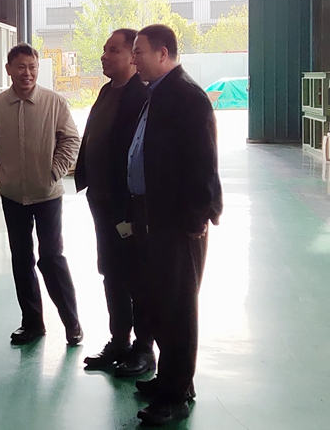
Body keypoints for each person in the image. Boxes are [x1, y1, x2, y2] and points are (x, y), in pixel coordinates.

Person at [126, 24, 223, 426]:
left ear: (162, 53)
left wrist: (197, 217)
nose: (134, 59)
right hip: (157, 217)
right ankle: (172, 380)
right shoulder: (159, 93)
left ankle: (175, 396)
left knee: (179, 309)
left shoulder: (186, 96)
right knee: (163, 303)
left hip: (180, 223)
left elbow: (203, 162)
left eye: (139, 52)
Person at [0, 43, 82, 346]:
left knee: (52, 258)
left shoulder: (54, 102)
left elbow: (72, 140)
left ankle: (72, 323)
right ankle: (32, 323)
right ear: (9, 69)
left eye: (32, 67)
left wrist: (54, 172)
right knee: (21, 259)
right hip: (13, 196)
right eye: (21, 67)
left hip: (48, 195)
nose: (27, 73)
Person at [74, 29, 154, 376]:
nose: (104, 56)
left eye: (113, 50)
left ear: (132, 56)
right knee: (111, 272)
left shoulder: (142, 96)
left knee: (137, 276)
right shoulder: (107, 91)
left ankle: (144, 348)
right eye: (104, 50)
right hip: (102, 200)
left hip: (128, 205)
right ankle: (119, 340)